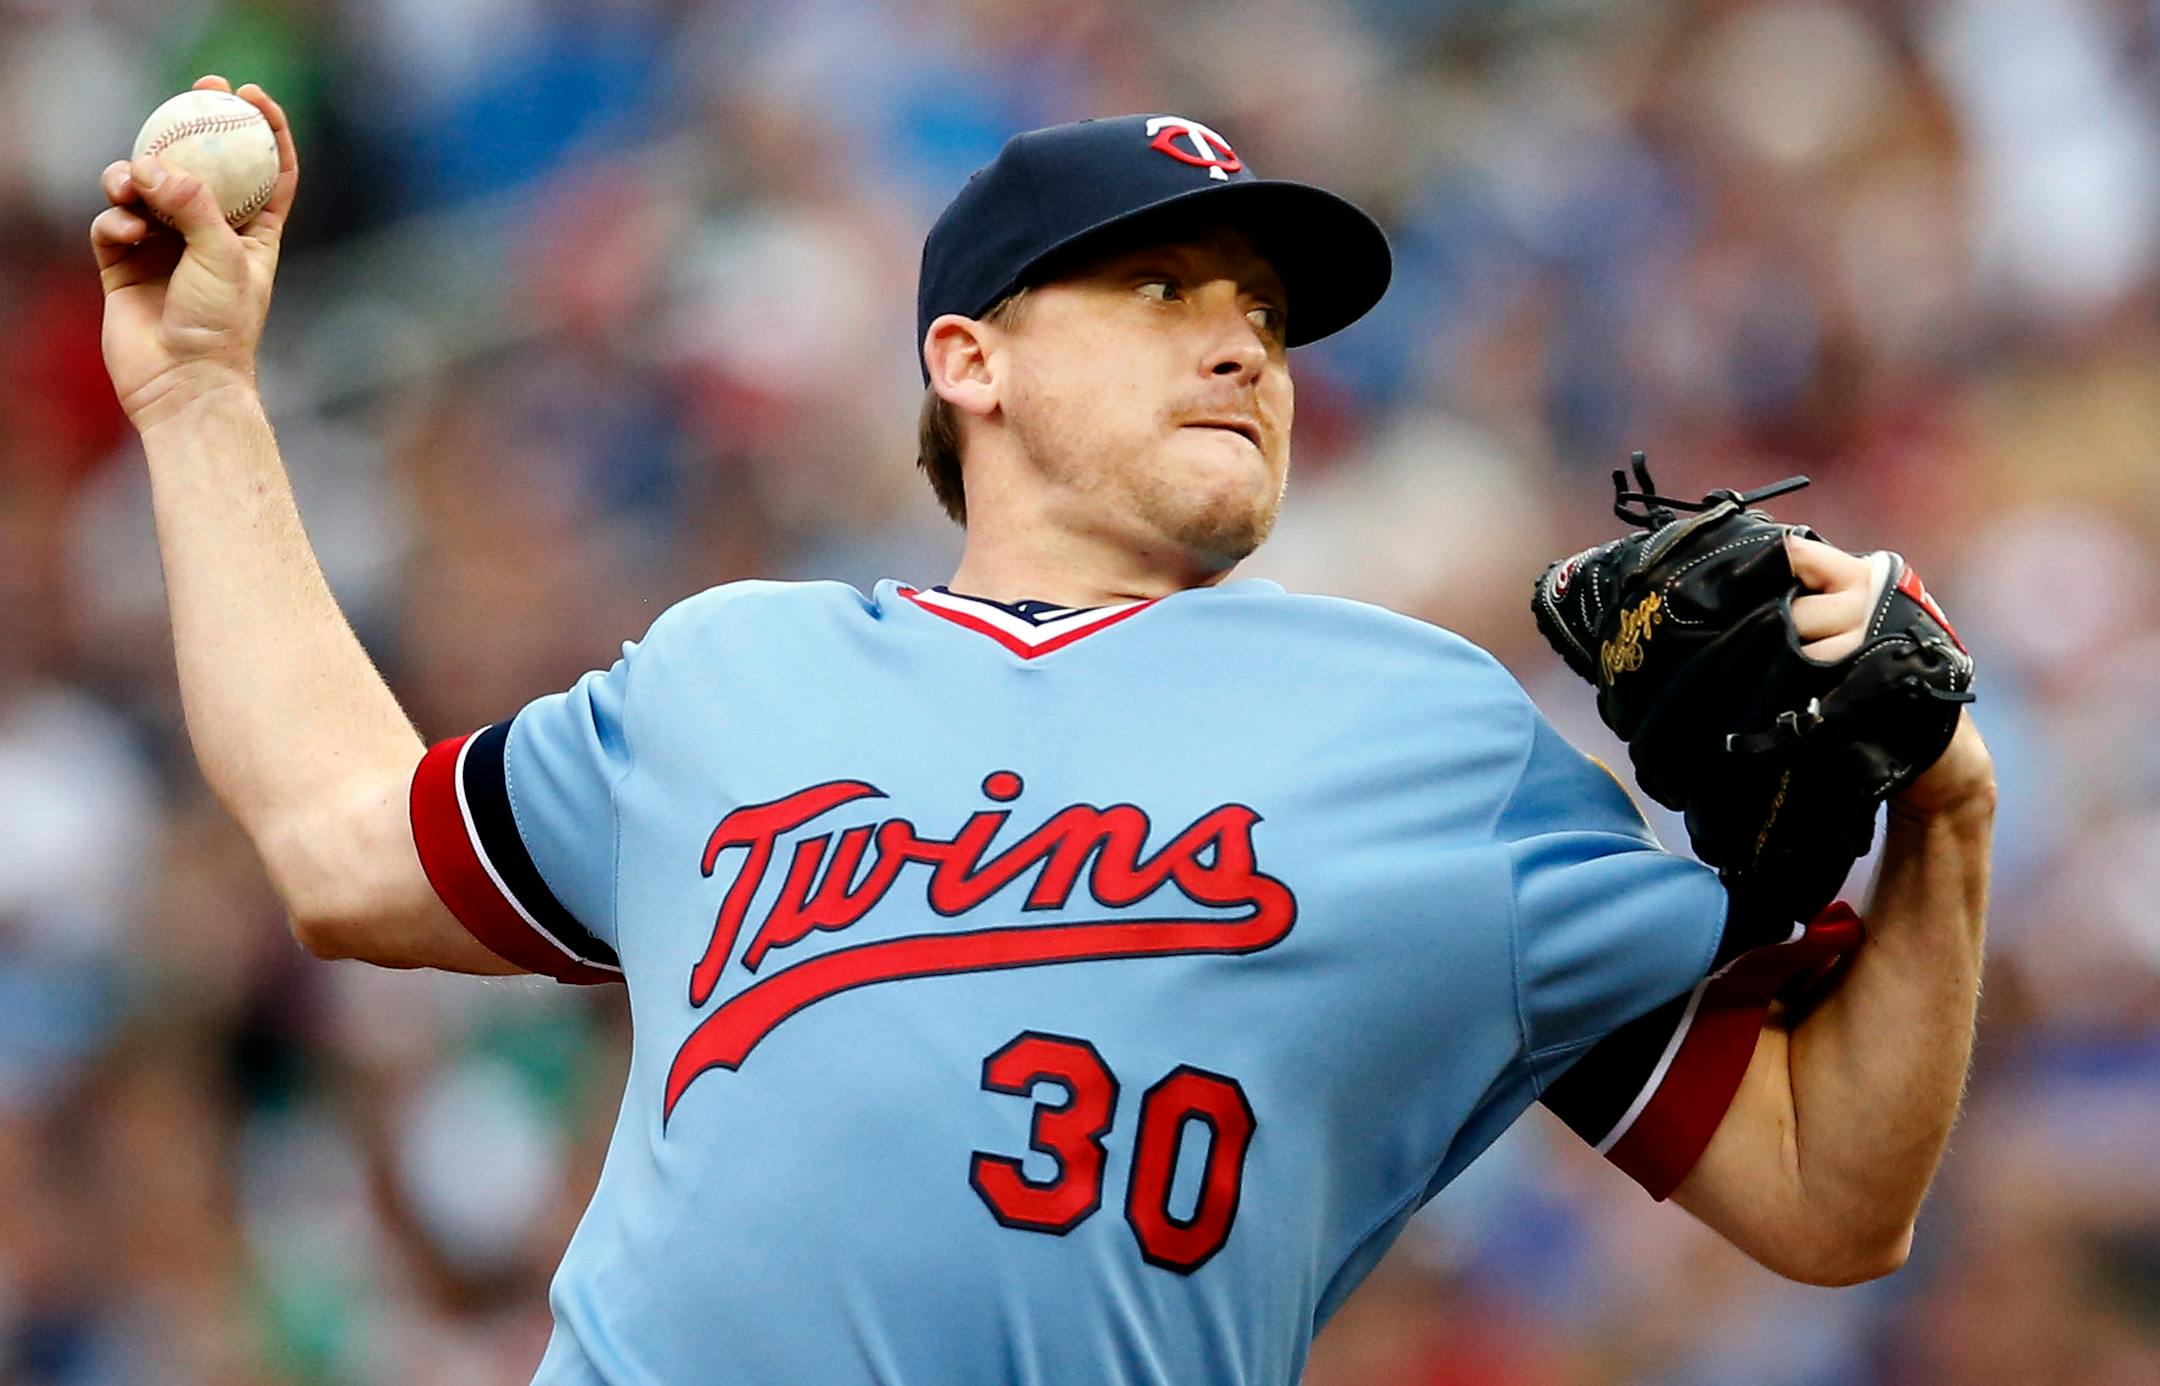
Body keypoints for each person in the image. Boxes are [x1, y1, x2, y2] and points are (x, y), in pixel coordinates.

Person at [93, 79, 1996, 1385]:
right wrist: (197, 397)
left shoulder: (1434, 737)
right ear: (969, 358)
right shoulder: (725, 670)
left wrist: (1950, 815)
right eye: (1164, 288)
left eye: (1265, 315)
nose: (1244, 344)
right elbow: (342, 841)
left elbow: (1828, 1193)